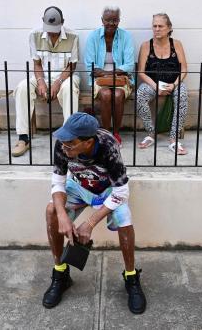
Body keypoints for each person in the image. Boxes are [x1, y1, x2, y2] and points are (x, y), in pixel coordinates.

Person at [43, 112, 146, 314]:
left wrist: (89, 224)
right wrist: (63, 216)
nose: (64, 146)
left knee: (124, 218)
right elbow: (58, 182)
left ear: (88, 142)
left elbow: (121, 191)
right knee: (52, 211)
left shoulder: (108, 146)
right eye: (63, 141)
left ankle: (131, 277)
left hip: (108, 190)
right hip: (80, 186)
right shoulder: (64, 143)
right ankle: (60, 274)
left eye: (71, 143)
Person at [13, 6, 80, 157]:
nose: (51, 32)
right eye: (48, 28)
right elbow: (37, 64)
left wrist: (58, 82)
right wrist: (41, 81)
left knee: (70, 88)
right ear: (43, 21)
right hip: (42, 76)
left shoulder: (73, 36)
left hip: (65, 76)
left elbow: (72, 66)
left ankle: (69, 138)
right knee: (22, 87)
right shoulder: (34, 34)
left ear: (62, 22)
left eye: (55, 29)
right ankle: (23, 138)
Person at [135, 13, 189, 155]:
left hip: (173, 83)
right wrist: (156, 86)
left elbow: (184, 69)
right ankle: (151, 133)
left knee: (182, 95)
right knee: (140, 95)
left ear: (169, 28)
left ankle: (173, 139)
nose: (157, 29)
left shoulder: (176, 44)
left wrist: (174, 85)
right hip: (153, 83)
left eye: (161, 26)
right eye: (154, 26)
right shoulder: (146, 46)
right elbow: (141, 72)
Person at [84, 6, 134, 144]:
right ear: (102, 20)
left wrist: (106, 73)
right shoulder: (93, 37)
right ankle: (106, 134)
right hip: (99, 80)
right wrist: (107, 74)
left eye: (115, 20)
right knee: (106, 94)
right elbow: (90, 66)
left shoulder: (126, 36)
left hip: (121, 80)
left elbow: (129, 65)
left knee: (117, 95)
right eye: (108, 20)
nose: (111, 24)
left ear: (119, 20)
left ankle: (116, 133)